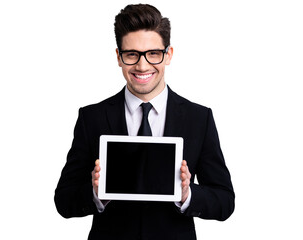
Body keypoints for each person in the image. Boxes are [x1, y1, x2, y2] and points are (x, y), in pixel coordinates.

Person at [54, 4, 235, 240]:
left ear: (168, 55)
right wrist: (96, 193)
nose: (142, 65)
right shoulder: (93, 118)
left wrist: (187, 194)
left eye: (153, 53)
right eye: (132, 54)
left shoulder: (198, 118)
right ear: (119, 57)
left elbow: (224, 201)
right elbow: (64, 200)